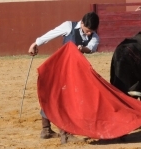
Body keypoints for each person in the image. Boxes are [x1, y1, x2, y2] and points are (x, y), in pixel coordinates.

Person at [28, 12, 99, 144]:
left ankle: (46, 130)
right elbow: (51, 34)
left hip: (75, 71)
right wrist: (35, 43)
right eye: (87, 31)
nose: (89, 34)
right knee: (60, 97)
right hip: (60, 68)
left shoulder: (94, 36)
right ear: (82, 23)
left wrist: (83, 48)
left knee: (59, 97)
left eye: (91, 32)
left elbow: (92, 48)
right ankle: (64, 134)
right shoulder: (68, 26)